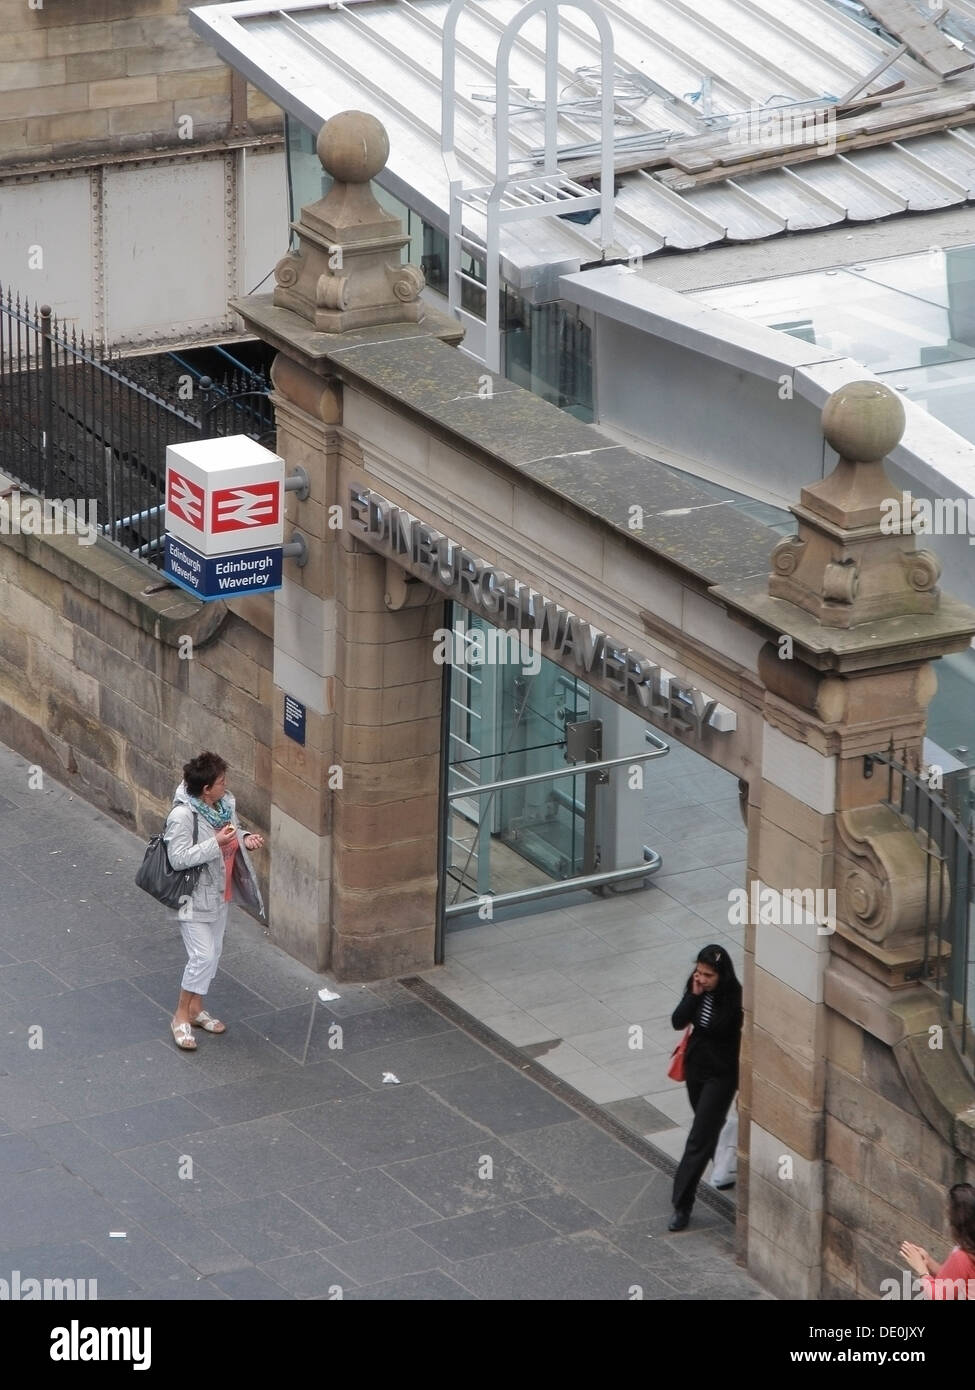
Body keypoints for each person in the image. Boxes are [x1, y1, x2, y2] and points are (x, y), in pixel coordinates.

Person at [164, 751, 265, 1052]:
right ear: (206, 789)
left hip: (220, 892)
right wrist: (216, 843)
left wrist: (244, 839)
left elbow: (232, 831)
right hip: (192, 898)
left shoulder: (223, 806)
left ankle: (196, 1010)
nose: (226, 785)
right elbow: (178, 858)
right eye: (221, 782)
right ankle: (180, 1016)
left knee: (214, 952)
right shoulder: (182, 816)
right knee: (203, 956)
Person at [668, 944, 743, 1231]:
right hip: (696, 1068)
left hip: (721, 1075)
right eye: (698, 972)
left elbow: (719, 1027)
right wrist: (693, 995)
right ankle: (724, 1167)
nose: (701, 978)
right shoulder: (695, 988)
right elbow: (678, 1021)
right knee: (707, 1126)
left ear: (721, 976)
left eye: (708, 975)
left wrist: (704, 997)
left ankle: (681, 1203)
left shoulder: (734, 997)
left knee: (698, 1138)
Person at [900, 1183, 975, 1299]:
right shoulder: (969, 1251)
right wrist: (929, 1262)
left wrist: (922, 1270)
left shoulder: (962, 1257)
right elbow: (955, 1280)